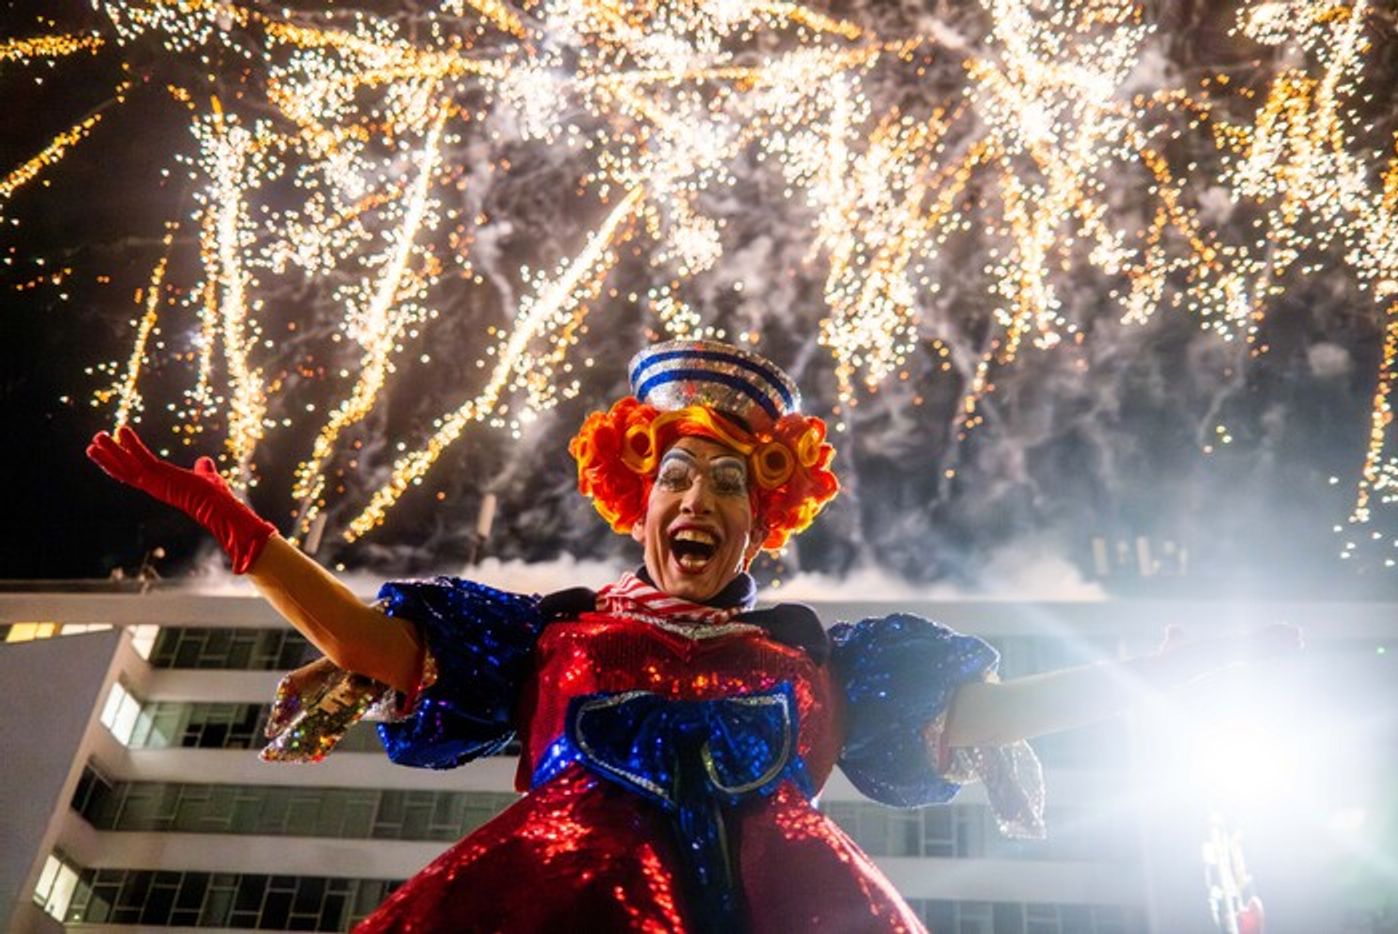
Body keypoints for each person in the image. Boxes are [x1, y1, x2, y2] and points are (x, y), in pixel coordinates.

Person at [87, 340, 1298, 933]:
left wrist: (1137, 683)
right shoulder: (553, 635)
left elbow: (978, 716)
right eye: (678, 476)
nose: (698, 500)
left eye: (728, 482)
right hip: (560, 898)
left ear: (759, 512)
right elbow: (371, 647)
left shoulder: (820, 653)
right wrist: (238, 530)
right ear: (641, 497)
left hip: (785, 900)